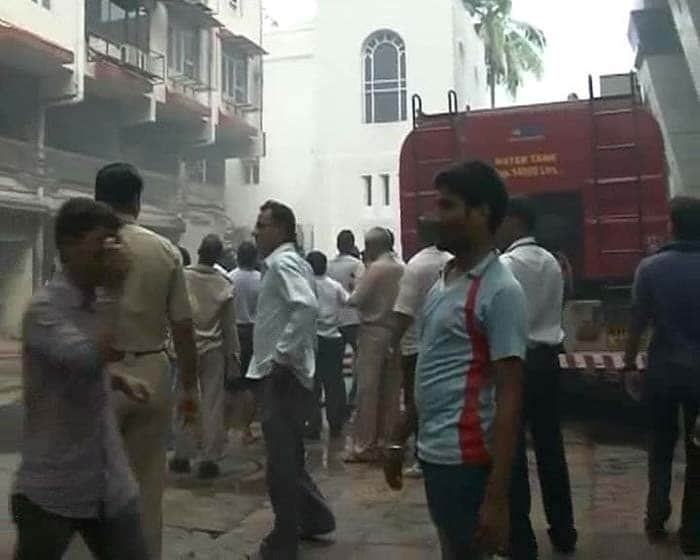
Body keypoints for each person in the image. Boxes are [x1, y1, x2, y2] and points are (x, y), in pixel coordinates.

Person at [392, 161, 527, 559]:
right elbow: (432, 368)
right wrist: (400, 437)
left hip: (466, 461)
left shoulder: (500, 291)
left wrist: (497, 497)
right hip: (435, 454)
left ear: (481, 213)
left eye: (449, 206)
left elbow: (510, 398)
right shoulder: (444, 280)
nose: (438, 218)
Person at [13, 198, 152, 559]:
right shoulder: (45, 309)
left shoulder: (94, 303)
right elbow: (88, 357)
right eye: (103, 241)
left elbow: (93, 363)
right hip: (53, 487)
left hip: (109, 482)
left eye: (115, 242)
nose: (112, 251)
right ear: (70, 245)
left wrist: (119, 379)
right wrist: (116, 291)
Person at [94, 162, 198, 559]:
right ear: (137, 200)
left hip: (98, 374)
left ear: (97, 198)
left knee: (91, 483)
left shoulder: (83, 249)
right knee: (146, 482)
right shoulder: (164, 250)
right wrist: (190, 387)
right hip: (152, 372)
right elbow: (183, 327)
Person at [248, 200, 336, 560]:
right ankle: (315, 517)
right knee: (289, 457)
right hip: (280, 371)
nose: (256, 231)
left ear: (281, 229)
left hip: (281, 374)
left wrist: (282, 358)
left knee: (281, 462)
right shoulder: (284, 264)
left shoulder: (283, 262)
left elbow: (305, 307)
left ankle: (285, 536)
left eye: (262, 225)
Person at [497, 196, 577, 558]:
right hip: (549, 361)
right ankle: (564, 530)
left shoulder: (505, 266)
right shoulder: (552, 262)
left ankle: (520, 538)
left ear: (515, 222)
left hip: (518, 363)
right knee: (550, 448)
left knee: (512, 451)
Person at [624, 196, 700, 556]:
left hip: (663, 374)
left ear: (672, 224)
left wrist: (627, 365)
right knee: (698, 453)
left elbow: (637, 322)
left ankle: (655, 518)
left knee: (660, 448)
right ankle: (693, 532)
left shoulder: (650, 269)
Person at [384, 217, 451, 482]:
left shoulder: (416, 266)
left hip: (416, 347)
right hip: (446, 344)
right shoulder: (451, 261)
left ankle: (421, 457)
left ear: (419, 234)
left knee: (415, 402)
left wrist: (392, 343)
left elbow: (404, 311)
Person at [170, 234, 241, 479]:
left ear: (199, 251)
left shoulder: (183, 277)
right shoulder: (224, 283)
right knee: (212, 402)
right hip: (213, 349)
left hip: (185, 345)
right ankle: (209, 458)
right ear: (218, 256)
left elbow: (174, 315)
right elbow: (229, 327)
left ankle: (182, 453)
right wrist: (234, 357)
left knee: (185, 396)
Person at [344, 227, 404, 463]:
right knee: (390, 391)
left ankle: (364, 444)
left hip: (372, 331)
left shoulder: (376, 268)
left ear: (373, 246)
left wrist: (354, 284)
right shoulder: (401, 266)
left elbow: (356, 299)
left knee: (368, 391)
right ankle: (387, 440)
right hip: (395, 331)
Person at [305, 250, 350, 440]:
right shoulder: (335, 286)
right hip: (334, 338)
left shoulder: (305, 286)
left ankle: (313, 425)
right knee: (334, 383)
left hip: (313, 339)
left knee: (313, 384)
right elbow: (349, 301)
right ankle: (335, 424)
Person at [229, 241, 262, 444]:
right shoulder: (261, 280)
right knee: (251, 383)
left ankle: (223, 429)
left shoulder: (228, 278)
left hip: (232, 331)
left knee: (231, 383)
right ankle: (246, 430)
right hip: (253, 332)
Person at [327, 230, 365, 409]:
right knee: (360, 358)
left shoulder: (328, 265)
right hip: (354, 319)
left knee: (334, 365)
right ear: (352, 245)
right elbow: (361, 290)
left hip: (334, 320)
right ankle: (354, 395)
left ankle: (336, 400)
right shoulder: (358, 265)